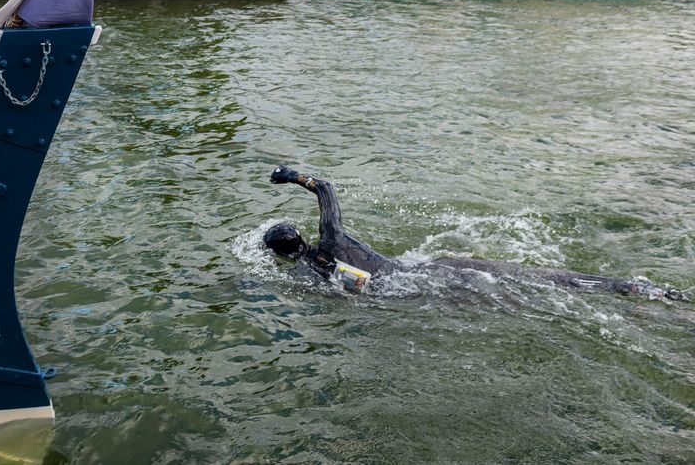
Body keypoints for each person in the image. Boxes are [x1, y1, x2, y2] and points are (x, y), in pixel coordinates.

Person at [264, 166, 686, 300]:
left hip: (412, 294)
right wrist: (292, 176)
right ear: (299, 234)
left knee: (523, 293)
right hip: (428, 272)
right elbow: (326, 187)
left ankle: (632, 292)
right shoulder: (331, 239)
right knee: (539, 279)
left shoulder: (307, 275)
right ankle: (632, 288)